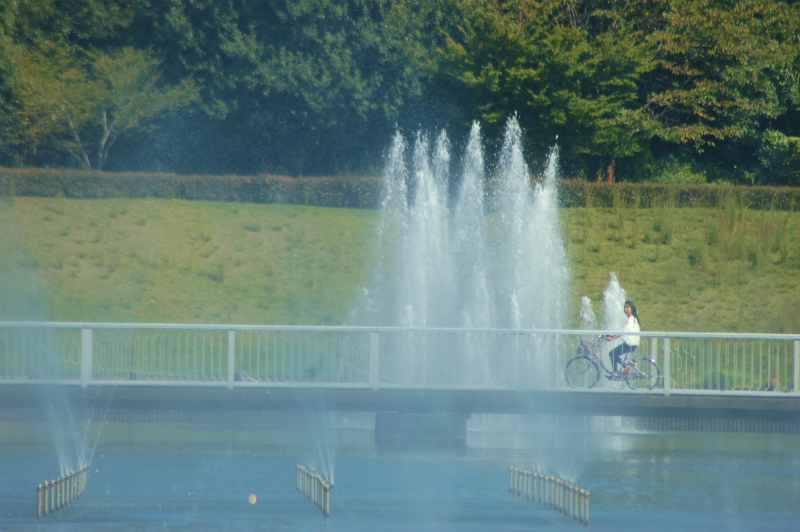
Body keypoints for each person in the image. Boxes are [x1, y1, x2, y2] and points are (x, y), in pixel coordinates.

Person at [605, 300, 640, 378]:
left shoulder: (631, 319)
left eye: (627, 307)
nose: (625, 309)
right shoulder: (633, 318)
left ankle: (625, 366)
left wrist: (612, 338)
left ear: (632, 308)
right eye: (624, 307)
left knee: (612, 354)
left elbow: (623, 332)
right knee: (613, 353)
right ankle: (615, 373)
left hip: (630, 343)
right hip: (632, 343)